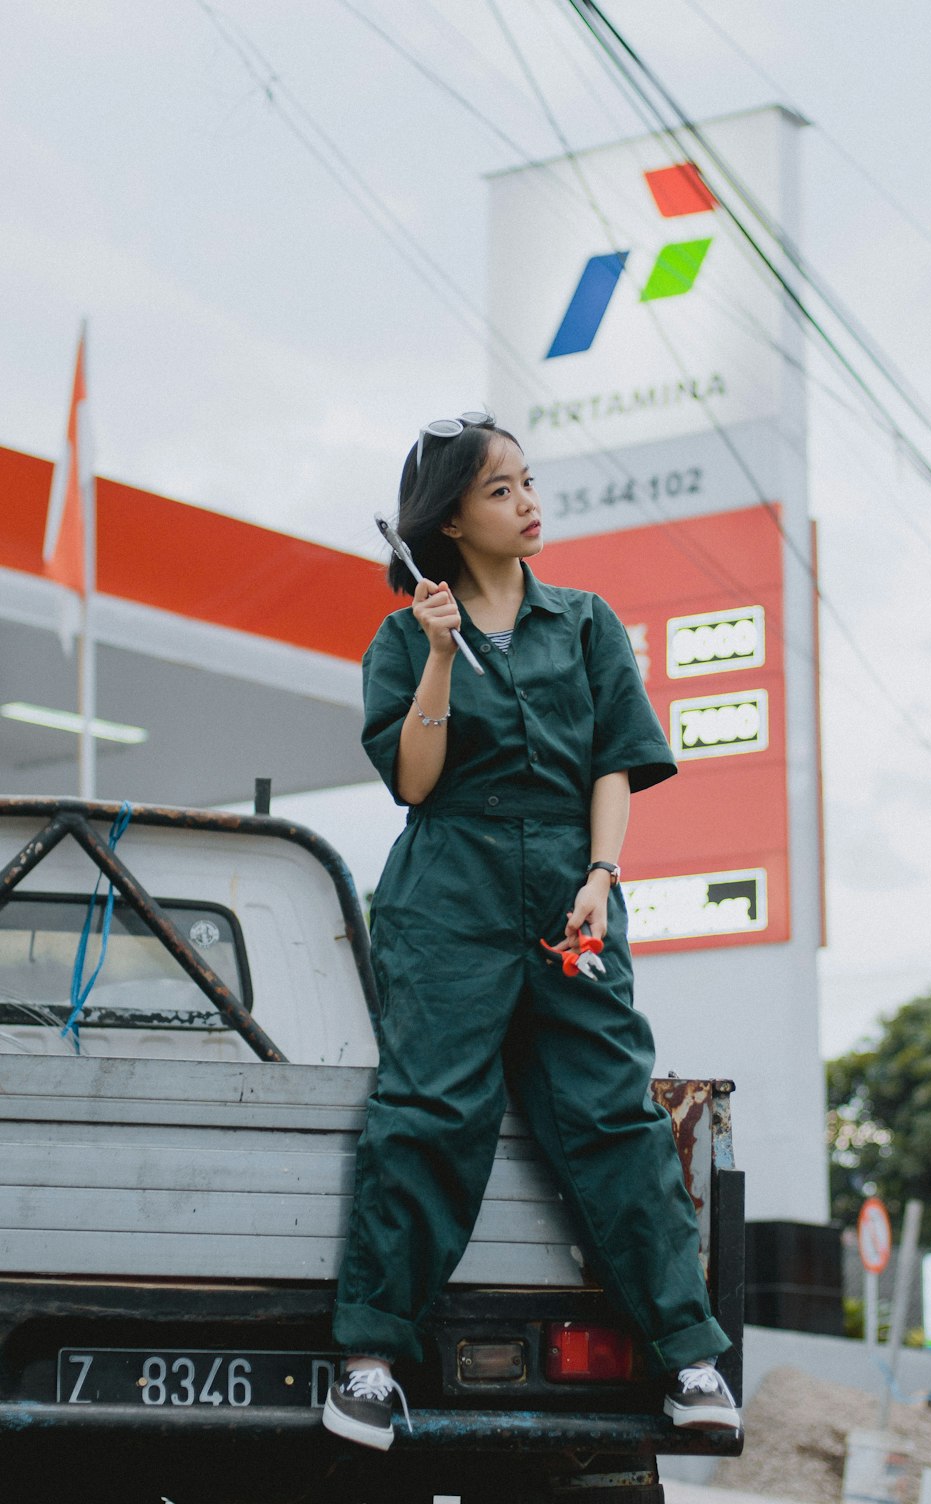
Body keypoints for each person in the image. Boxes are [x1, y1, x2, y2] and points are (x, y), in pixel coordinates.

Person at [323, 412, 740, 1450]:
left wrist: (601, 874)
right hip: (448, 890)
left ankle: (691, 1360)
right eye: (501, 490)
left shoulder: (586, 621)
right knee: (429, 1112)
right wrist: (436, 653)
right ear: (452, 519)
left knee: (612, 1116)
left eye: (526, 481)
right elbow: (415, 781)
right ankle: (370, 1362)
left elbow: (612, 760)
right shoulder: (403, 634)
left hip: (570, 889)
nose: (527, 501)